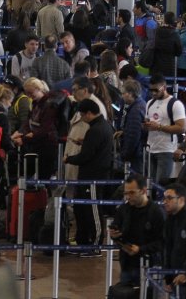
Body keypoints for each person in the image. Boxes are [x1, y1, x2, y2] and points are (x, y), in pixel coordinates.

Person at [64, 99, 114, 256]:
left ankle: (96, 244)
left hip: (93, 176)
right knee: (82, 209)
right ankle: (83, 241)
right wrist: (85, 143)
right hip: (90, 176)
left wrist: (69, 159)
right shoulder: (103, 127)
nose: (82, 118)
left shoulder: (96, 130)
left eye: (82, 115)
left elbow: (86, 156)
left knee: (92, 210)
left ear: (88, 113)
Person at [109, 173, 165, 286]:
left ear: (143, 191)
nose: (128, 197)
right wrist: (114, 236)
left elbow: (163, 242)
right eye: (126, 193)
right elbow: (116, 229)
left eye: (132, 193)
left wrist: (140, 249)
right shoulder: (124, 210)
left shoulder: (156, 212)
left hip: (150, 266)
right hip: (126, 264)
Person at [12, 78, 62, 180]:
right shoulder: (36, 104)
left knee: (43, 179)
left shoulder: (50, 105)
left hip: (47, 146)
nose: (29, 96)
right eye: (27, 93)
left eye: (31, 93)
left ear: (39, 89)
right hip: (37, 144)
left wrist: (25, 138)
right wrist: (20, 132)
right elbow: (28, 121)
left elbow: (46, 128)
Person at [144, 73, 186, 185]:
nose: (153, 93)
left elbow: (182, 128)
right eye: (151, 90)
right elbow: (147, 122)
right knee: (149, 187)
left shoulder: (176, 104)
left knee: (161, 185)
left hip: (166, 150)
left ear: (164, 87)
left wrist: (159, 127)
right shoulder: (149, 103)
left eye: (156, 90)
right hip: (150, 149)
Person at [119, 79, 146, 173]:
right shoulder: (140, 105)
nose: (122, 96)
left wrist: (125, 154)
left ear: (130, 94)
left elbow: (134, 134)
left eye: (123, 93)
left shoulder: (135, 111)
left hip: (134, 155)